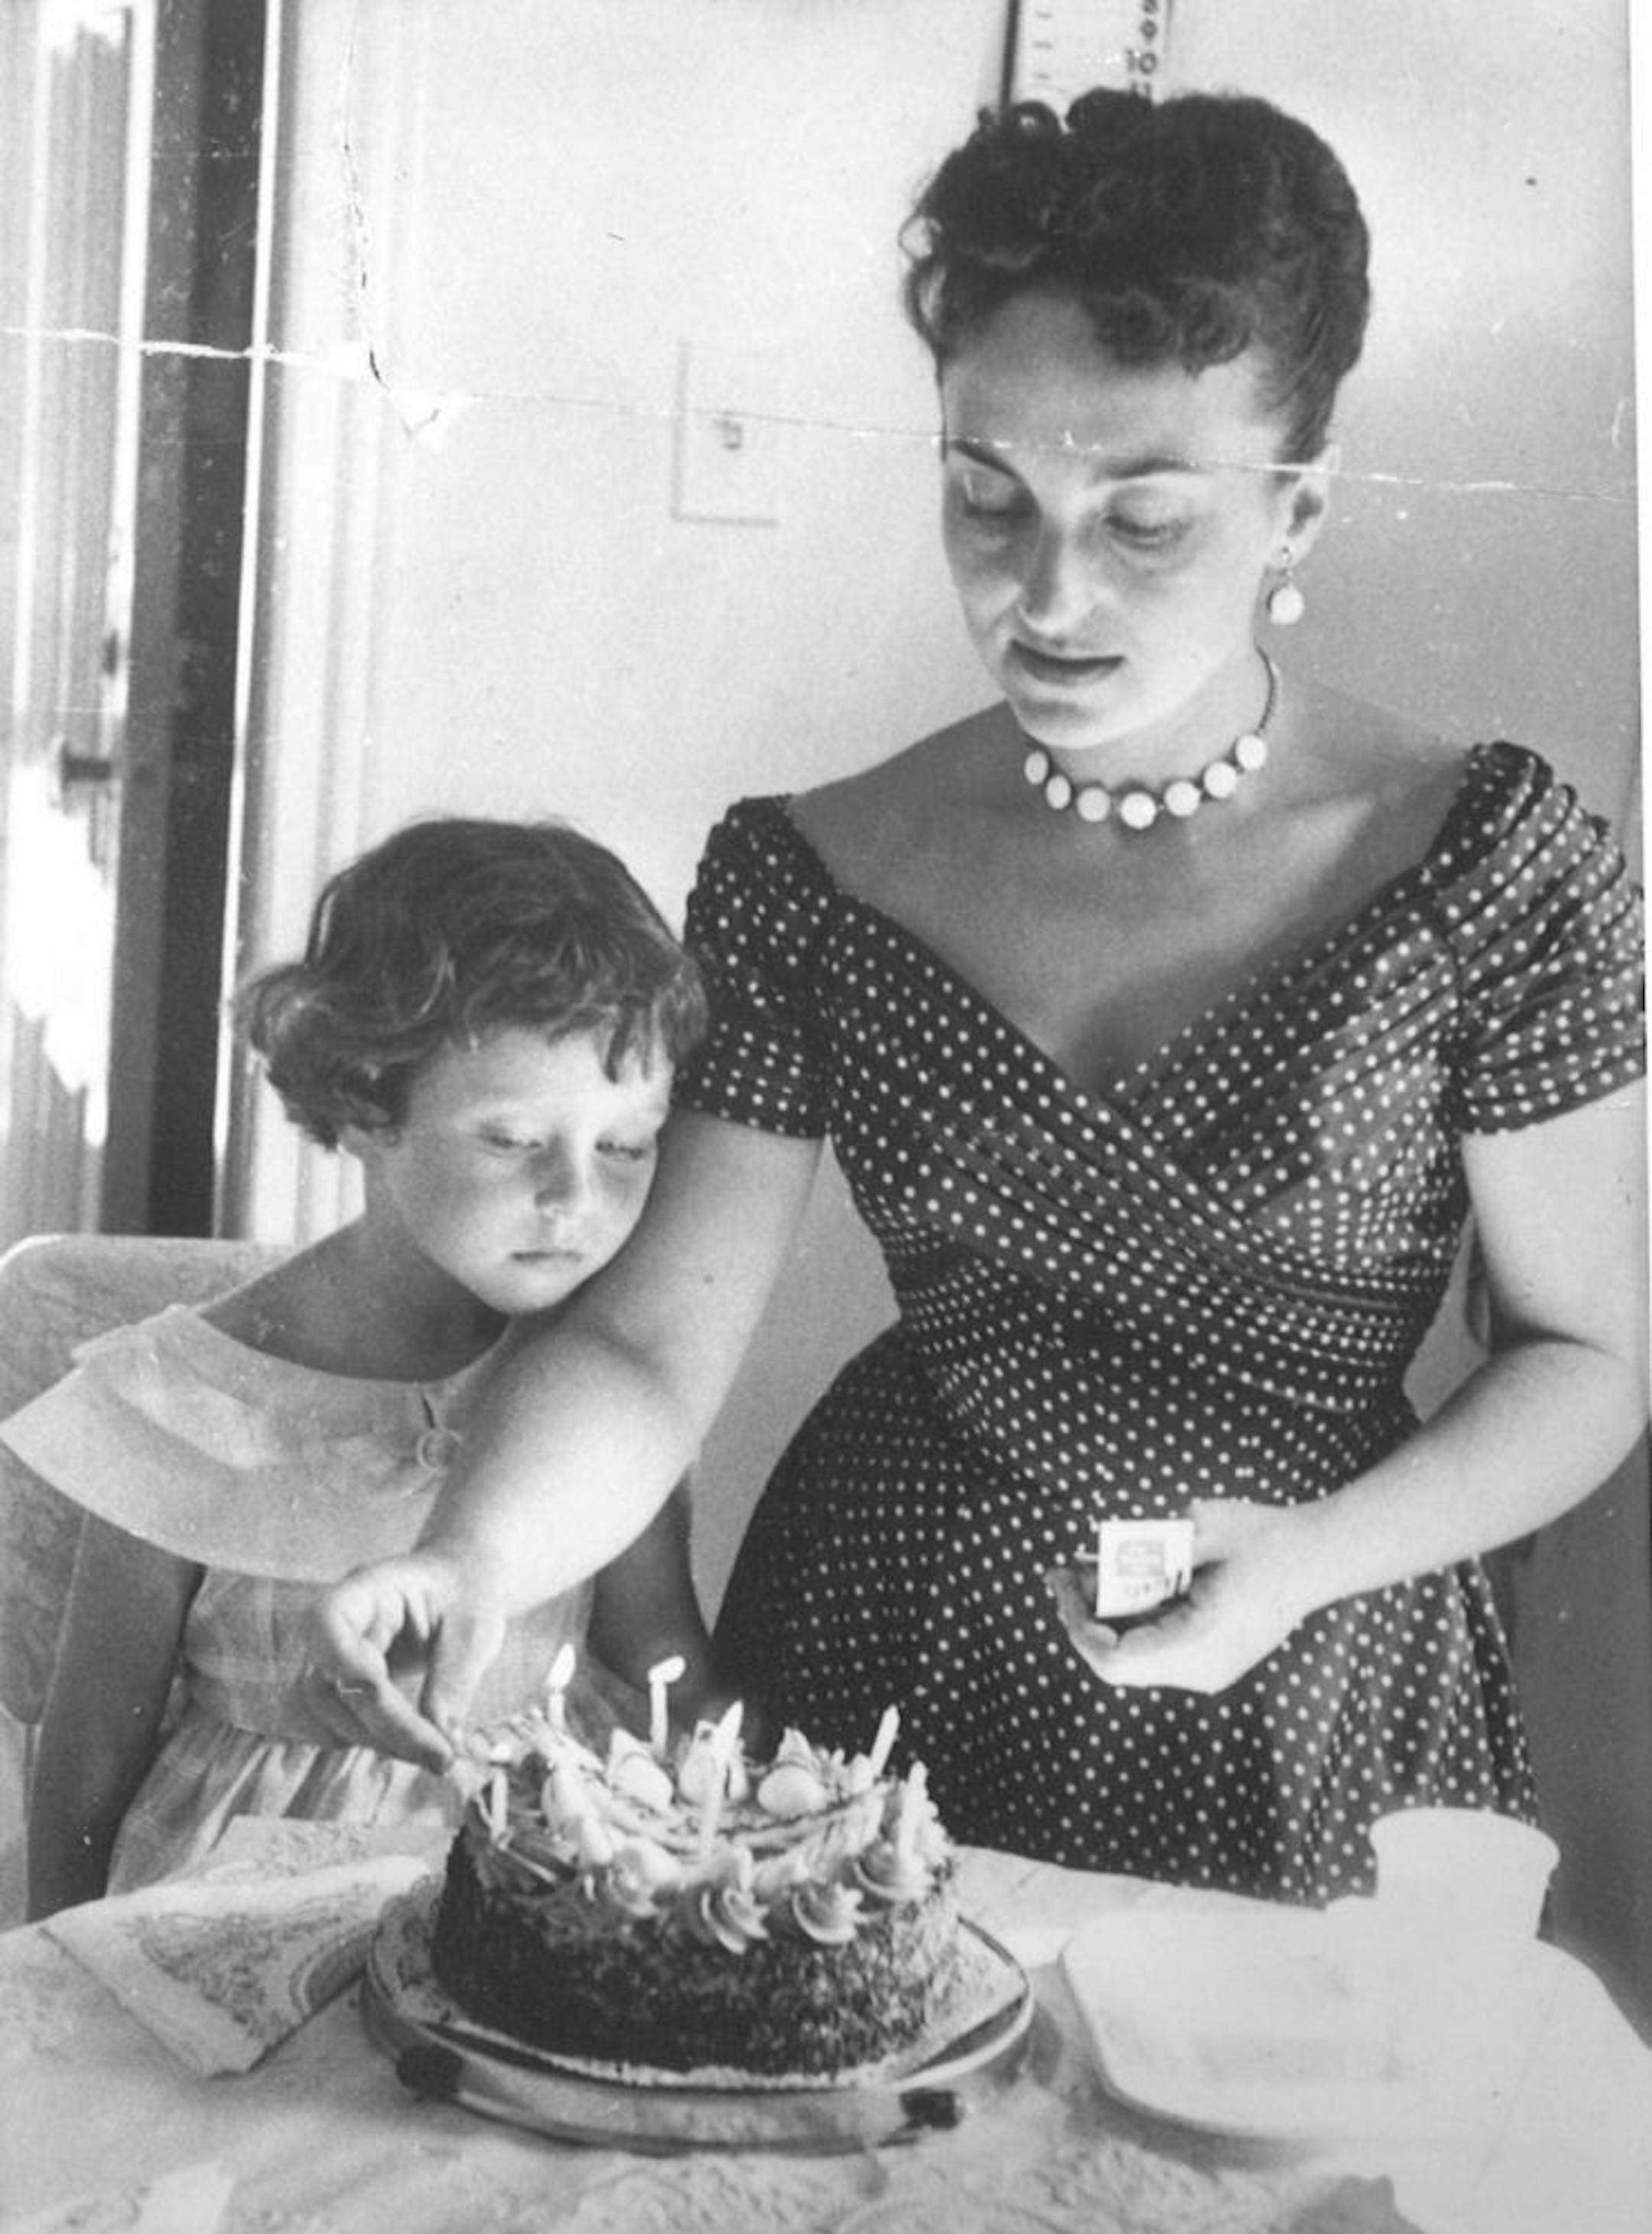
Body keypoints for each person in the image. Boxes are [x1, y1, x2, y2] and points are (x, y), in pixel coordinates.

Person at [303, 90, 1645, 1906]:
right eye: (987, 496)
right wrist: (473, 1558)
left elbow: (1588, 1353)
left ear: (1297, 507)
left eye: (1146, 519)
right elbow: (644, 1343)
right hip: (890, 1634)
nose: (1049, 591)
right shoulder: (811, 869)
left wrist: (1319, 1554)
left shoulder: (1494, 863)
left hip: (1319, 1651)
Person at [3, 816, 711, 1917]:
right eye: (516, 1139)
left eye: (625, 1144)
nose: (577, 1198)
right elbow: (88, 1758)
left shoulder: (600, 1385)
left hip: (534, 1906)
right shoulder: (189, 1395)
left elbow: (664, 1657)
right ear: (370, 1099)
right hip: (230, 1929)